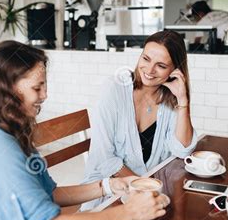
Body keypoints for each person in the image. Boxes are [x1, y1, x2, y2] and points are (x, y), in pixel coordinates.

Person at [0, 40, 170, 220]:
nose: (45, 95)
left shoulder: (9, 132)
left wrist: (108, 186)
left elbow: (51, 194)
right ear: (6, 89)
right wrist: (129, 211)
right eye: (37, 88)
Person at [82, 31, 197, 210]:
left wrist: (183, 100)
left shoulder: (170, 98)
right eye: (146, 58)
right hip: (107, 193)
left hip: (150, 191)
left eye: (160, 65)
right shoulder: (114, 89)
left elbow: (182, 150)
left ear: (175, 70)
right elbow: (103, 157)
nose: (149, 70)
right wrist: (143, 186)